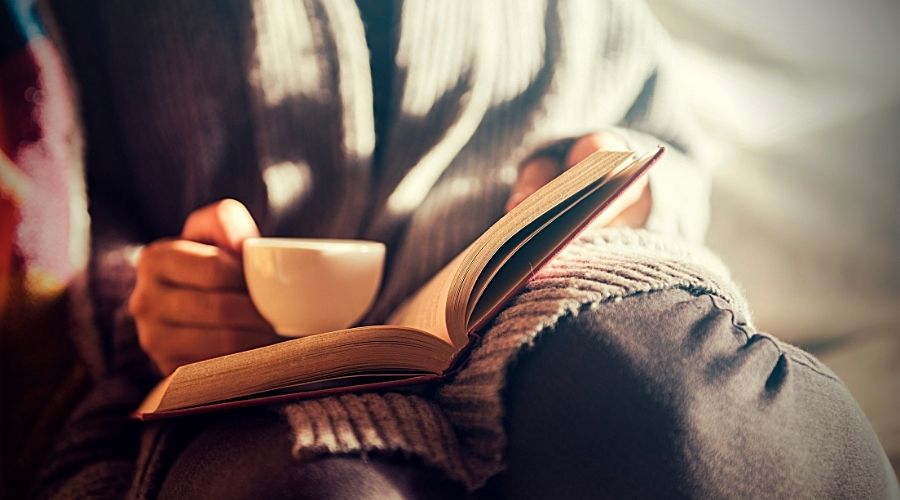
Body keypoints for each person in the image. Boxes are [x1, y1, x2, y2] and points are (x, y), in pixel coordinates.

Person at [31, 0, 898, 498]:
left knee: (690, 417)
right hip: (253, 361)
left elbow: (660, 132)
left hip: (543, 276)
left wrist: (629, 179)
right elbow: (60, 187)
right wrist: (148, 293)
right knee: (312, 492)